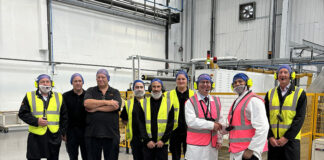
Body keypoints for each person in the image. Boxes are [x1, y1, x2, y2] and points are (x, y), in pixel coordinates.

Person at [18, 74, 68, 160]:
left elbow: (64, 116)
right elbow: (22, 113)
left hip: (54, 135)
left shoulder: (59, 96)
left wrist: (62, 132)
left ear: (51, 83)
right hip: (36, 136)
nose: (45, 84)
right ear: (37, 84)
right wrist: (36, 121)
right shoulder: (29, 96)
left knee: (53, 158)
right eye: (42, 82)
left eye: (47, 81)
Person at [265, 65, 307, 160]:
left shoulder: (300, 93)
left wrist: (286, 137)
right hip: (274, 141)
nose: (282, 75)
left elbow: (300, 118)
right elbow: (265, 117)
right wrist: (270, 136)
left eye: (285, 72)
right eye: (280, 72)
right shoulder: (270, 93)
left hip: (291, 141)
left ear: (291, 75)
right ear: (276, 76)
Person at [225, 73, 269, 160]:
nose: (237, 84)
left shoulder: (253, 100)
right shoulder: (237, 101)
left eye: (240, 81)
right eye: (235, 82)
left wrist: (252, 149)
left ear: (248, 83)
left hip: (248, 152)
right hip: (237, 150)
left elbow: (263, 127)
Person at [83, 69, 122, 160]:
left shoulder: (115, 92)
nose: (100, 79)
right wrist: (108, 102)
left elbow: (115, 106)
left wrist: (95, 108)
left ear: (108, 78)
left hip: (111, 134)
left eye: (103, 77)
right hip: (93, 134)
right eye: (98, 77)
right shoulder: (90, 90)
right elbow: (87, 104)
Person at [185, 73, 223, 160]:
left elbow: (220, 121)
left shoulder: (216, 101)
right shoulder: (190, 101)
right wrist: (212, 125)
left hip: (212, 145)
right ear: (197, 85)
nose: (205, 84)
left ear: (211, 85)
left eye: (207, 82)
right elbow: (191, 122)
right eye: (202, 82)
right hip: (196, 146)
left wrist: (219, 139)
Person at [141, 78, 174, 160]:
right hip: (147, 144)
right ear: (150, 88)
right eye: (154, 87)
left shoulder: (169, 103)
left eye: (158, 87)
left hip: (162, 144)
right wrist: (147, 140)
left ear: (161, 88)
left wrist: (163, 140)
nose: (156, 89)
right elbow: (140, 124)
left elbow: (170, 124)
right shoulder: (143, 103)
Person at [169, 70, 194, 160]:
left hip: (190, 129)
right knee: (175, 156)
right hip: (174, 130)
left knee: (190, 155)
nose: (181, 81)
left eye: (183, 79)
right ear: (176, 81)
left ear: (187, 80)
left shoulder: (194, 94)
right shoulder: (168, 94)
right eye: (178, 79)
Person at [63, 73, 87, 160]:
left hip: (86, 131)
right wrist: (63, 132)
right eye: (75, 81)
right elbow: (63, 115)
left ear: (82, 82)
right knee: (72, 156)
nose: (77, 83)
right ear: (72, 83)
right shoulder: (65, 96)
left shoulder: (88, 95)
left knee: (87, 156)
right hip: (71, 132)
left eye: (80, 81)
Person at [120, 80, 146, 160]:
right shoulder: (128, 103)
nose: (139, 89)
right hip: (135, 139)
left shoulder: (149, 102)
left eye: (141, 87)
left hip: (148, 138)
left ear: (144, 89)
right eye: (137, 87)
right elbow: (124, 119)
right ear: (133, 89)